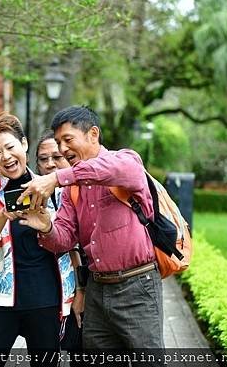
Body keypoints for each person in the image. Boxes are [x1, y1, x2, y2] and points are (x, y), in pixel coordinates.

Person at [17, 106, 164, 354]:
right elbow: (63, 239)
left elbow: (111, 170)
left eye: (68, 140)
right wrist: (47, 227)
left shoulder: (125, 161)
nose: (63, 149)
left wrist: (58, 178)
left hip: (138, 285)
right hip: (97, 290)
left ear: (93, 134)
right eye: (59, 142)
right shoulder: (73, 189)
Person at [0, 114, 75, 367]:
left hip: (46, 296)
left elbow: (69, 239)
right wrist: (4, 214)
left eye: (9, 147)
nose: (5, 156)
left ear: (24, 144)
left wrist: (47, 225)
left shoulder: (51, 187)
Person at [35, 130, 87, 366]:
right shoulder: (33, 195)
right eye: (43, 159)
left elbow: (76, 249)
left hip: (77, 287)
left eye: (56, 157)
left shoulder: (78, 192)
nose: (49, 164)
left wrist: (80, 292)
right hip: (44, 292)